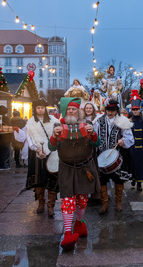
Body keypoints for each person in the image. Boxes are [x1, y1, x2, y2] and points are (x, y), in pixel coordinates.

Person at [49, 97, 101, 250]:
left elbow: (96, 144)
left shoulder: (88, 124)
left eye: (73, 109)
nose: (71, 111)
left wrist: (93, 135)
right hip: (66, 168)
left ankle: (79, 223)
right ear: (65, 112)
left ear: (78, 111)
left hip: (85, 168)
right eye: (68, 109)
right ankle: (67, 233)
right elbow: (51, 148)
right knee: (68, 200)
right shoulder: (58, 126)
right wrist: (53, 136)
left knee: (82, 199)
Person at [93, 99, 134, 214]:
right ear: (105, 110)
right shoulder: (98, 121)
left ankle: (118, 203)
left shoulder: (123, 122)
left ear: (116, 110)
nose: (110, 113)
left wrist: (123, 141)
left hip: (118, 156)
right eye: (108, 110)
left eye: (112, 110)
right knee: (102, 181)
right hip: (102, 155)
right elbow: (94, 136)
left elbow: (130, 139)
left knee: (119, 180)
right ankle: (104, 204)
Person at [26, 99, 59, 216]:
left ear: (45, 108)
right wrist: (38, 150)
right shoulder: (30, 123)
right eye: (38, 107)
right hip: (37, 155)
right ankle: (41, 202)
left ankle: (51, 205)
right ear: (35, 109)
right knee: (38, 180)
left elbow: (59, 136)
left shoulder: (54, 120)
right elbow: (29, 140)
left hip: (52, 153)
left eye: (42, 107)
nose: (40, 109)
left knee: (52, 180)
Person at [129, 91, 143, 191]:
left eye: (137, 110)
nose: (135, 111)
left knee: (141, 166)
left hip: (142, 148)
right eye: (134, 110)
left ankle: (139, 184)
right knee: (132, 165)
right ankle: (133, 179)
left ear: (140, 110)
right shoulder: (128, 122)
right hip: (132, 148)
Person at [0, 105, 11, 170]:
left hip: (0, 137)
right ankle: (2, 164)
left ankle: (1, 164)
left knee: (1, 151)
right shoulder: (6, 118)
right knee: (4, 151)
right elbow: (9, 126)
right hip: (6, 137)